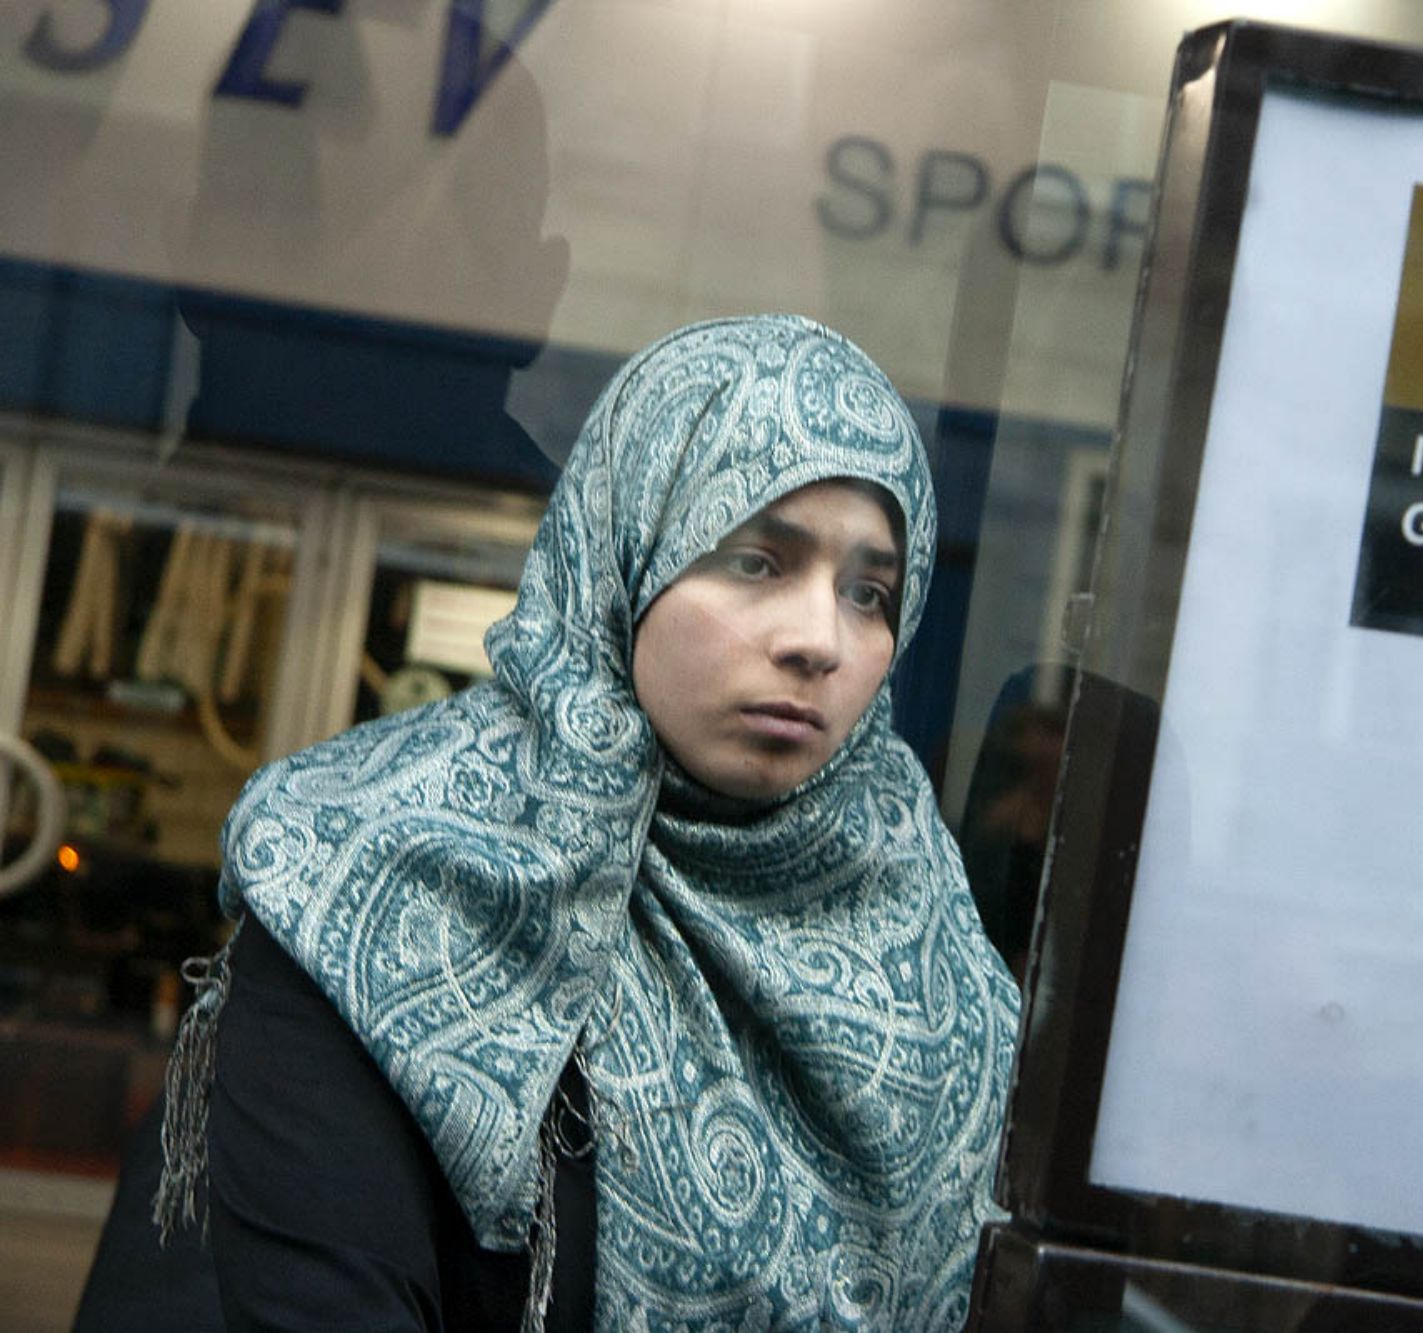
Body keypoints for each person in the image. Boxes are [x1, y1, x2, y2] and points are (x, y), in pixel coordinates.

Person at [105, 314, 1021, 1331]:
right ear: (627, 550)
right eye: (757, 561)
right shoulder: (376, 882)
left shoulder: (927, 932)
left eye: (869, 592)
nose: (820, 639)